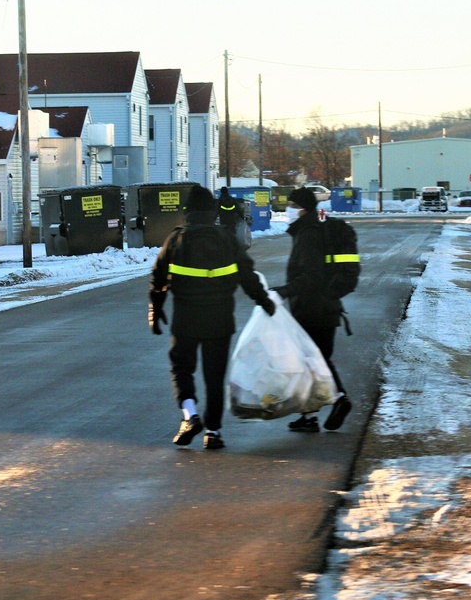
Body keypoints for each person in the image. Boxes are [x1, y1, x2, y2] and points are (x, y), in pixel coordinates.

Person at [149, 185, 276, 449]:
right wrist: (263, 301)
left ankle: (190, 415)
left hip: (186, 319)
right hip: (220, 321)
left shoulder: (176, 239)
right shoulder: (226, 239)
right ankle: (213, 433)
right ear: (213, 212)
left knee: (181, 368)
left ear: (187, 212)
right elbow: (247, 274)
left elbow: (158, 278)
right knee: (214, 377)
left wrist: (155, 307)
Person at [272, 187, 353, 433]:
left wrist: (284, 291)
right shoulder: (313, 228)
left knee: (314, 360)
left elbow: (311, 276)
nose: (288, 210)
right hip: (323, 306)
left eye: (291, 205)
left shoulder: (308, 234)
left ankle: (339, 398)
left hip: (313, 307)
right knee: (310, 360)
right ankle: (309, 417)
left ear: (301, 209)